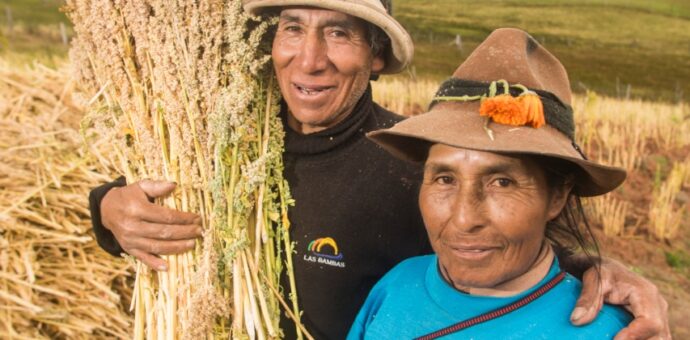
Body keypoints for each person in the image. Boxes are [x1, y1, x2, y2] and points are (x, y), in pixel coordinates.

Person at [88, 1, 670, 339]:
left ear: (377, 53)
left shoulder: (413, 165)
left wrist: (603, 275)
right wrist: (109, 208)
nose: (309, 59)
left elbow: (507, 245)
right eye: (292, 27)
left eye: (338, 32)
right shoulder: (214, 141)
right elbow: (152, 198)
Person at [349, 27, 636, 339]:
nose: (464, 218)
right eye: (445, 178)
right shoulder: (397, 286)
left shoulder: (607, 332)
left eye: (502, 182)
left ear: (557, 197)